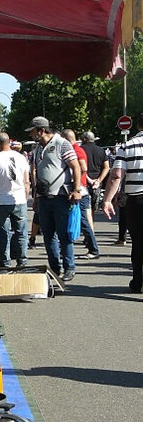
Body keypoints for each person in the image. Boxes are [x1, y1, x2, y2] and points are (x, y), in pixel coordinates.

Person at [27, 117, 81, 282]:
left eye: (33, 131)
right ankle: (55, 269)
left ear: (41, 130)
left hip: (61, 197)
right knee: (48, 235)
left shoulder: (61, 143)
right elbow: (37, 174)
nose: (31, 134)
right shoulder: (37, 149)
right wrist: (36, 198)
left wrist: (77, 189)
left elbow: (76, 166)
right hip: (44, 198)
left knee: (64, 235)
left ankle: (69, 267)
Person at [102, 113, 143, 293]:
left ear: (138, 126)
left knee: (138, 242)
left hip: (137, 200)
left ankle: (138, 282)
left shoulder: (127, 146)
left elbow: (117, 175)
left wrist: (107, 200)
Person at [0, 131, 30, 269]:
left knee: (3, 233)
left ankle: (5, 263)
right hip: (19, 200)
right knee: (21, 233)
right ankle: (22, 261)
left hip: (2, 201)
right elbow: (26, 182)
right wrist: (25, 197)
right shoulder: (21, 158)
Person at [62, 129, 100, 260]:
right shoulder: (77, 149)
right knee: (79, 219)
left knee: (83, 220)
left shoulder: (76, 151)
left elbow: (83, 168)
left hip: (80, 191)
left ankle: (93, 249)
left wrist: (76, 183)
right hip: (80, 189)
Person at [80, 131, 109, 215]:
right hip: (97, 183)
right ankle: (91, 225)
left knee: (84, 209)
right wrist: (98, 181)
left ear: (84, 139)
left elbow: (80, 168)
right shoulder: (101, 150)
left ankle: (86, 227)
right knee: (93, 209)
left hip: (84, 182)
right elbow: (106, 167)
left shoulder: (80, 149)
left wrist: (88, 179)